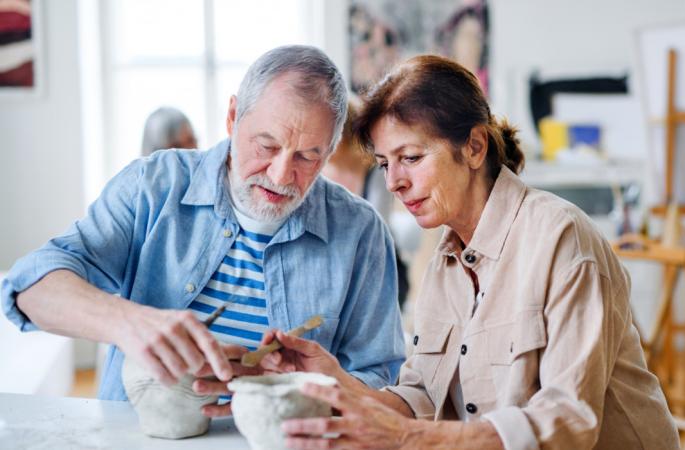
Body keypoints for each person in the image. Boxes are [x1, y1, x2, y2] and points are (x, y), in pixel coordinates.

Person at [258, 55, 680, 450]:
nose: (394, 183)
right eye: (386, 164)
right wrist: (336, 383)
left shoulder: (560, 237)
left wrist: (408, 438)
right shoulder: (446, 257)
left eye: (411, 157)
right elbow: (422, 395)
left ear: (475, 147)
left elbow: (567, 421)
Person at [0, 46, 406, 415]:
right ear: (232, 117)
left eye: (306, 156)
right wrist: (129, 322)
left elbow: (382, 385)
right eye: (266, 145)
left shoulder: (361, 232)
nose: (282, 175)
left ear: (330, 151)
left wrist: (316, 390)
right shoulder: (153, 187)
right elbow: (28, 288)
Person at [321, 100, 409, 308]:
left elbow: (376, 228)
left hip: (375, 260)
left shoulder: (376, 172)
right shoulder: (317, 172)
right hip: (330, 262)